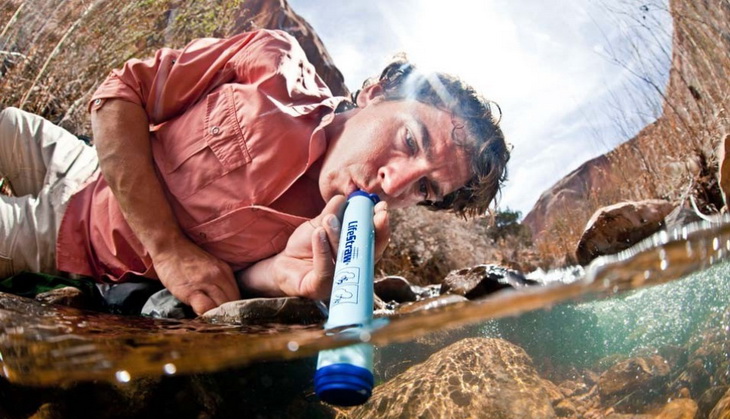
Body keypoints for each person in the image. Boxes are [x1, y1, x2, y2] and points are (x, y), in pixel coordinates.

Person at [0, 29, 510, 315]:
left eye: (424, 187)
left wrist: (287, 278)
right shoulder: (272, 60)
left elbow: (236, 282)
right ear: (376, 93)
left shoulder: (337, 241)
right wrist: (169, 249)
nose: (394, 184)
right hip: (82, 161)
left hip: (70, 239)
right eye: (408, 141)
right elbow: (120, 95)